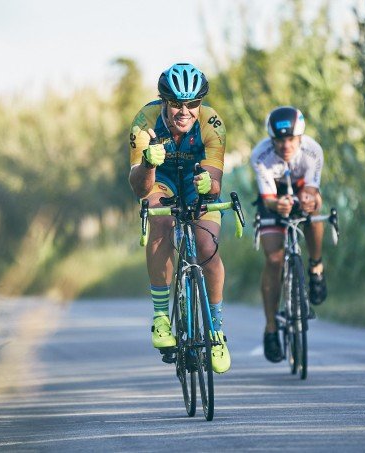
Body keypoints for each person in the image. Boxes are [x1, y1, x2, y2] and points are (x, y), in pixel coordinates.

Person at [128, 63, 231, 373]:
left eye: (193, 104)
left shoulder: (212, 124)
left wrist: (208, 186)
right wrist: (147, 163)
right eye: (176, 104)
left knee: (206, 247)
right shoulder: (143, 124)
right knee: (160, 221)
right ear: (164, 102)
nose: (185, 111)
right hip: (162, 179)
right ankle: (161, 317)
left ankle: (216, 329)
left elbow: (215, 183)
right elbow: (138, 188)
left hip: (195, 178)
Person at [250, 106, 328, 363]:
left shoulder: (313, 150)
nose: (285, 146)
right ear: (271, 140)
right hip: (273, 198)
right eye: (280, 141)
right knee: (273, 259)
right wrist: (277, 205)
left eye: (291, 140)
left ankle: (316, 267)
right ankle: (271, 327)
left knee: (314, 209)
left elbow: (313, 188)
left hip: (301, 190)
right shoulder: (260, 155)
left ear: (300, 138)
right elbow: (268, 197)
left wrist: (308, 199)